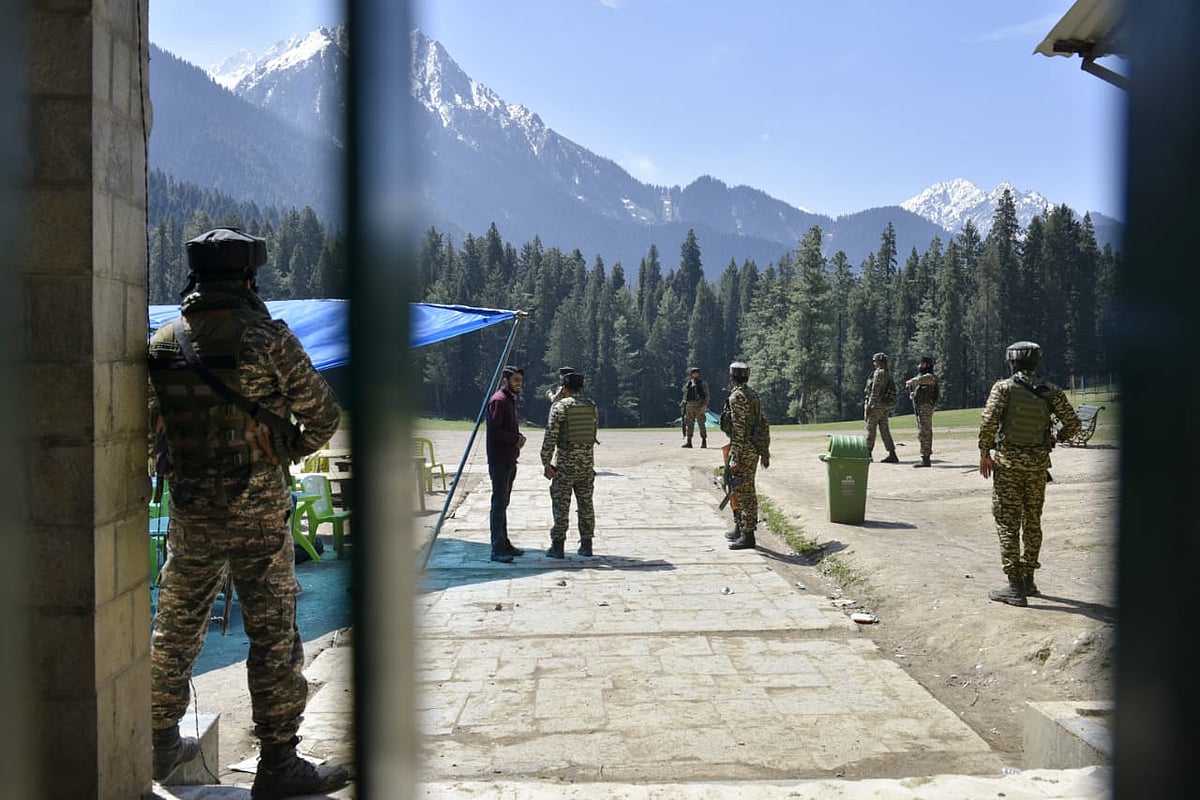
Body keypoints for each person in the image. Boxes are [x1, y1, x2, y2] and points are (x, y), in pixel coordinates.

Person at [147, 228, 348, 798]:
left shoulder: (163, 343)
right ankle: (279, 762)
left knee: (176, 627)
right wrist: (286, 448)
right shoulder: (266, 338)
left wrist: (172, 458)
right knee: (272, 634)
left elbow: (146, 427)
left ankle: (157, 741)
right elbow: (324, 416)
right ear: (247, 277)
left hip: (192, 513)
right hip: (256, 513)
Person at [978, 341, 1082, 607]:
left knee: (1007, 523)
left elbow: (988, 422)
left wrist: (985, 453)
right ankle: (1028, 579)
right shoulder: (1051, 391)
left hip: (1008, 467)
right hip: (1037, 467)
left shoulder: (1003, 388)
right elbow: (1073, 423)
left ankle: (1014, 586)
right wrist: (1057, 436)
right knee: (1032, 521)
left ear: (1013, 361)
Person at [541, 371, 599, 557]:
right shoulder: (591, 406)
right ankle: (587, 545)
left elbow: (550, 437)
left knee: (561, 504)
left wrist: (546, 462)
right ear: (581, 388)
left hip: (565, 465)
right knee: (586, 504)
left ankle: (558, 546)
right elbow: (593, 432)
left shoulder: (560, 407)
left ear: (564, 389)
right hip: (586, 465)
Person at [720, 361, 770, 550]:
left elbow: (739, 429)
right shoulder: (753, 394)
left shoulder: (737, 397)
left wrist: (735, 456)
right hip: (753, 446)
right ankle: (740, 527)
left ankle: (748, 535)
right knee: (738, 488)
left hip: (744, 448)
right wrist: (764, 451)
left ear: (732, 377)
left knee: (745, 491)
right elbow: (764, 423)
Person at [486, 365, 528, 563]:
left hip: (510, 459)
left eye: (520, 380)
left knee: (503, 504)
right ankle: (497, 549)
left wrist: (518, 437)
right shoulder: (499, 400)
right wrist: (515, 439)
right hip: (500, 460)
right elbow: (494, 431)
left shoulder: (509, 400)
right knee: (498, 505)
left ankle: (504, 543)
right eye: (515, 380)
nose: (519, 384)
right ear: (505, 380)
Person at [864, 352, 899, 463]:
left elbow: (875, 390)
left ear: (879, 362)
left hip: (876, 406)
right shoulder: (887, 373)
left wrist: (870, 405)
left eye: (875, 361)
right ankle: (892, 453)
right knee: (884, 430)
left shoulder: (879, 373)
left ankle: (868, 453)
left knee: (871, 429)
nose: (874, 363)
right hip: (884, 406)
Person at [905, 355, 939, 468]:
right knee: (922, 431)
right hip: (921, 407)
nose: (920, 366)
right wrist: (914, 394)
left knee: (925, 431)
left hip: (926, 407)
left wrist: (912, 381)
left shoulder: (930, 377)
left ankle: (926, 458)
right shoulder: (923, 379)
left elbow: (923, 379)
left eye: (922, 364)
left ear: (928, 365)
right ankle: (925, 456)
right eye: (919, 364)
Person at [680, 366, 710, 448]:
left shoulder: (702, 383)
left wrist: (704, 405)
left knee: (701, 424)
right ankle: (689, 441)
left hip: (699, 405)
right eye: (694, 373)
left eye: (696, 373)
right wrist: (684, 405)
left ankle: (704, 441)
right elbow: (685, 395)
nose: (695, 374)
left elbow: (707, 395)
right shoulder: (689, 383)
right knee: (689, 424)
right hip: (689, 406)